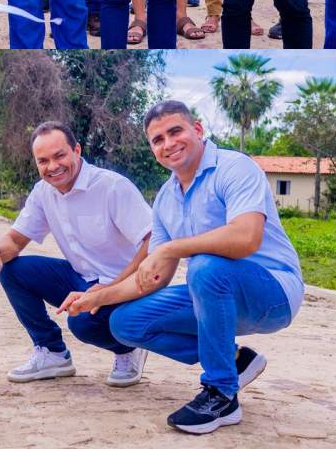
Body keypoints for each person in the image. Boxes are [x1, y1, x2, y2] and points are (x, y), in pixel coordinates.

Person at [62, 100, 304, 435]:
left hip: (272, 293)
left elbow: (246, 237)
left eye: (175, 131)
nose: (168, 143)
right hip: (212, 293)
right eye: (157, 140)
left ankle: (221, 394)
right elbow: (152, 277)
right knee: (125, 322)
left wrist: (176, 247)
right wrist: (100, 297)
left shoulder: (235, 167)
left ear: (198, 130)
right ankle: (234, 362)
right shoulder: (165, 199)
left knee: (204, 267)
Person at [0, 121, 153, 387]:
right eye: (43, 161)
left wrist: (108, 289)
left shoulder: (111, 186)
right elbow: (15, 239)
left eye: (59, 156)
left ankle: (127, 348)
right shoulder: (43, 192)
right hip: (81, 278)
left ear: (77, 150)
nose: (53, 166)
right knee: (12, 269)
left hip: (124, 285)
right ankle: (53, 353)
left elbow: (152, 243)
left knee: (81, 324)